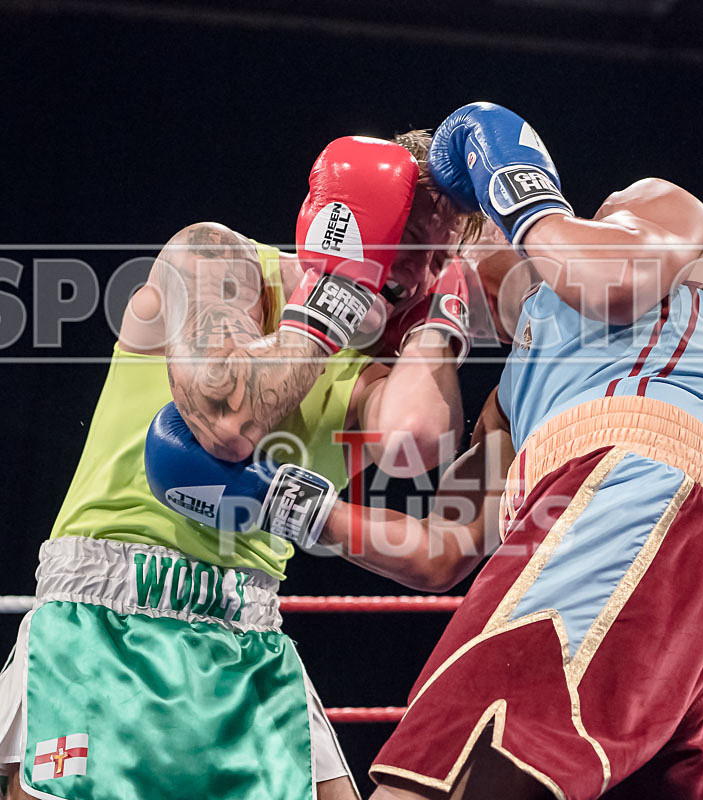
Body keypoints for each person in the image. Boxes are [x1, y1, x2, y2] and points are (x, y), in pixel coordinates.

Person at [146, 102, 703, 799]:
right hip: (632, 556)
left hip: (625, 500)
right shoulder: (513, 402)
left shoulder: (649, 207)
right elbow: (443, 550)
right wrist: (279, 503)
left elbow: (608, 283)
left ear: (480, 215)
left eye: (432, 250)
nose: (425, 281)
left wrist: (521, 189)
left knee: (437, 775)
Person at [0, 133, 473, 800]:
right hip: (110, 617)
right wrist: (339, 290)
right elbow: (225, 418)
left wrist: (438, 326)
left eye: (438, 259)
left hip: (250, 631)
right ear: (354, 218)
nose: (414, 271)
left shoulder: (373, 374)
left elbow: (415, 443)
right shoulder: (214, 258)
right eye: (408, 238)